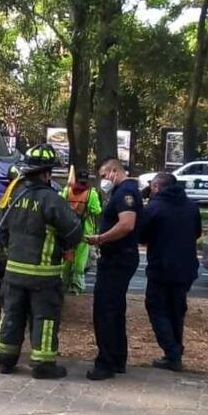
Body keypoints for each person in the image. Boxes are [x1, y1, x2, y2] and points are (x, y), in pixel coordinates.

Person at [0, 144, 83, 379]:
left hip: (13, 272)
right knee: (44, 317)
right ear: (46, 173)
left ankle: (5, 359)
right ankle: (43, 365)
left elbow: (0, 231)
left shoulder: (13, 195)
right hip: (43, 275)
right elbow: (74, 232)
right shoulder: (51, 200)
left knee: (11, 315)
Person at [85, 157, 142, 380]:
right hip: (118, 257)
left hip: (118, 258)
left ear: (113, 171)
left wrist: (100, 238)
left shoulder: (125, 193)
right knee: (114, 310)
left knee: (105, 310)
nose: (103, 181)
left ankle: (106, 363)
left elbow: (126, 224)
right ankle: (117, 358)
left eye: (103, 176)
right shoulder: (123, 191)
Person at [138, 173, 201, 372]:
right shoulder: (191, 207)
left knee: (156, 308)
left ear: (157, 187)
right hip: (186, 267)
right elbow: (197, 233)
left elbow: (141, 235)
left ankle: (172, 352)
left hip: (161, 267)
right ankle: (175, 352)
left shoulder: (154, 208)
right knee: (176, 310)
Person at [60, 168, 102, 295]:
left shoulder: (66, 191)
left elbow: (59, 206)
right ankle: (76, 287)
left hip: (67, 231)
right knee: (80, 262)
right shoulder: (91, 194)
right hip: (84, 232)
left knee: (67, 259)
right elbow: (97, 210)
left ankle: (63, 285)